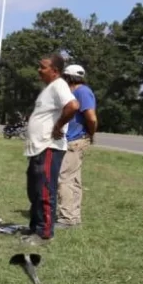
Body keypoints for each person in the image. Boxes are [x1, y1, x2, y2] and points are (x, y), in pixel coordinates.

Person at [21, 53, 80, 246]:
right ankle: (34, 227)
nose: (39, 69)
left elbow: (72, 106)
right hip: (38, 148)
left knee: (45, 190)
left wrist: (58, 126)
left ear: (55, 71)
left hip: (49, 146)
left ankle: (44, 233)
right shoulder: (50, 88)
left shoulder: (60, 85)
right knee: (34, 190)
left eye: (43, 67)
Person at [57, 64, 98, 228]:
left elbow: (91, 117)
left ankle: (67, 219)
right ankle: (73, 218)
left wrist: (91, 133)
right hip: (69, 140)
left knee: (64, 179)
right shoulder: (72, 92)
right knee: (73, 179)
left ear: (67, 77)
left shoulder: (82, 92)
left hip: (75, 141)